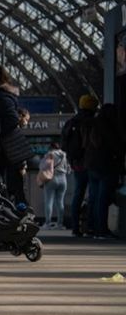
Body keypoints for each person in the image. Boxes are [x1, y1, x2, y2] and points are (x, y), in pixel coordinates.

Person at [84, 103, 125, 239]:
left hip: (92, 165)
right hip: (106, 165)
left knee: (94, 198)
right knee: (103, 199)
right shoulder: (109, 126)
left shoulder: (92, 123)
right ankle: (102, 229)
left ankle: (93, 228)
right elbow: (116, 146)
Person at [62, 94, 99, 236]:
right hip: (91, 162)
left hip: (76, 163)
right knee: (94, 194)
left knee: (78, 193)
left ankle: (75, 227)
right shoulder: (91, 122)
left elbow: (64, 145)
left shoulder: (71, 121)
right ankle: (91, 226)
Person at [37, 142, 68, 229]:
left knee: (49, 201)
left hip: (51, 178)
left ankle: (48, 223)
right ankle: (60, 224)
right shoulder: (64, 155)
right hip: (63, 179)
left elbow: (42, 166)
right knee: (60, 202)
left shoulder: (50, 154)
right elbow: (68, 168)